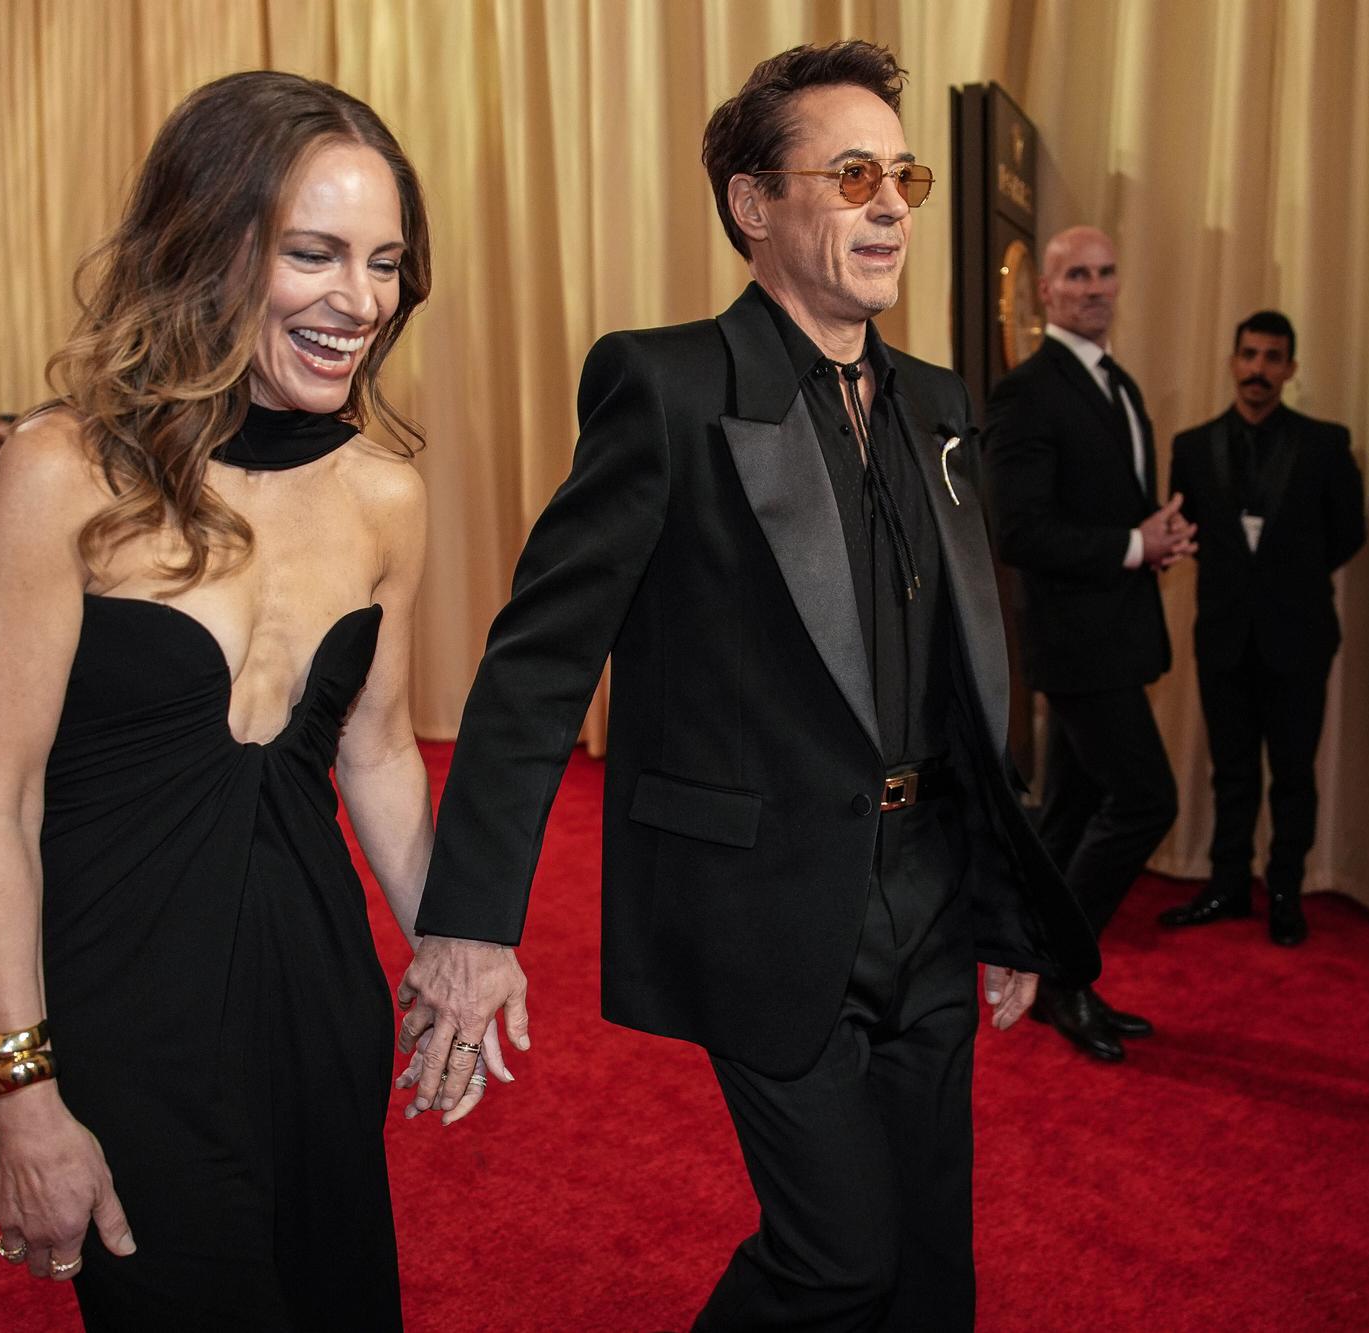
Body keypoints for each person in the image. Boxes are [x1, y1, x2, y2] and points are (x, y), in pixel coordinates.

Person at [397, 40, 1097, 1328]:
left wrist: (1001, 903)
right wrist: (470, 921)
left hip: (933, 897)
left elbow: (956, 684)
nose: (888, 203)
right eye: (847, 174)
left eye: (901, 174)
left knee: (932, 1263)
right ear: (752, 204)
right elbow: (537, 667)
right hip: (764, 906)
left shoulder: (938, 407)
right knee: (835, 1258)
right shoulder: (665, 388)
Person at [0, 71, 435, 1329]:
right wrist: (22, 1094)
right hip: (127, 1019)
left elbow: (375, 752)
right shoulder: (63, 474)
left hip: (321, 1002)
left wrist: (455, 937)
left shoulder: (387, 491)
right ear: (208, 247)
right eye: (314, 255)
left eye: (384, 262)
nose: (359, 302)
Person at [984, 226, 1195, 1062]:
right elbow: (1021, 530)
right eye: (1076, 274)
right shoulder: (1028, 392)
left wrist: (1156, 539)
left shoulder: (1118, 383)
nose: (1095, 287)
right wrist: (1135, 546)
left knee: (1070, 811)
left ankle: (1041, 970)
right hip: (1076, 646)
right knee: (1147, 800)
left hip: (1116, 635)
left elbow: (1112, 509)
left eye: (1107, 272)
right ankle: (1066, 974)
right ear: (1046, 293)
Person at [1163, 311, 1365, 946]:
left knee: (1294, 772)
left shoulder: (1327, 444)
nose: (1258, 369)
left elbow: (1348, 534)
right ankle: (1226, 885)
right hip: (1223, 636)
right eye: (1249, 355)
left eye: (1273, 358)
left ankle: (1284, 892)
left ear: (1291, 369)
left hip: (1300, 637)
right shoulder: (1191, 448)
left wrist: (1288, 580)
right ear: (1231, 361)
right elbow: (1186, 531)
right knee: (1231, 771)